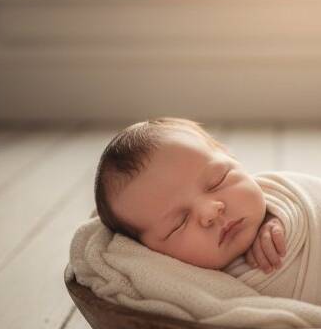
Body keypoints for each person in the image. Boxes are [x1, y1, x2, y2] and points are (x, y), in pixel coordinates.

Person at [94, 117, 286, 273]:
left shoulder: (284, 196)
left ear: (231, 157)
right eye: (180, 223)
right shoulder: (181, 287)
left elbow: (307, 196)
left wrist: (277, 215)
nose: (210, 212)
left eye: (217, 181)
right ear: (148, 251)